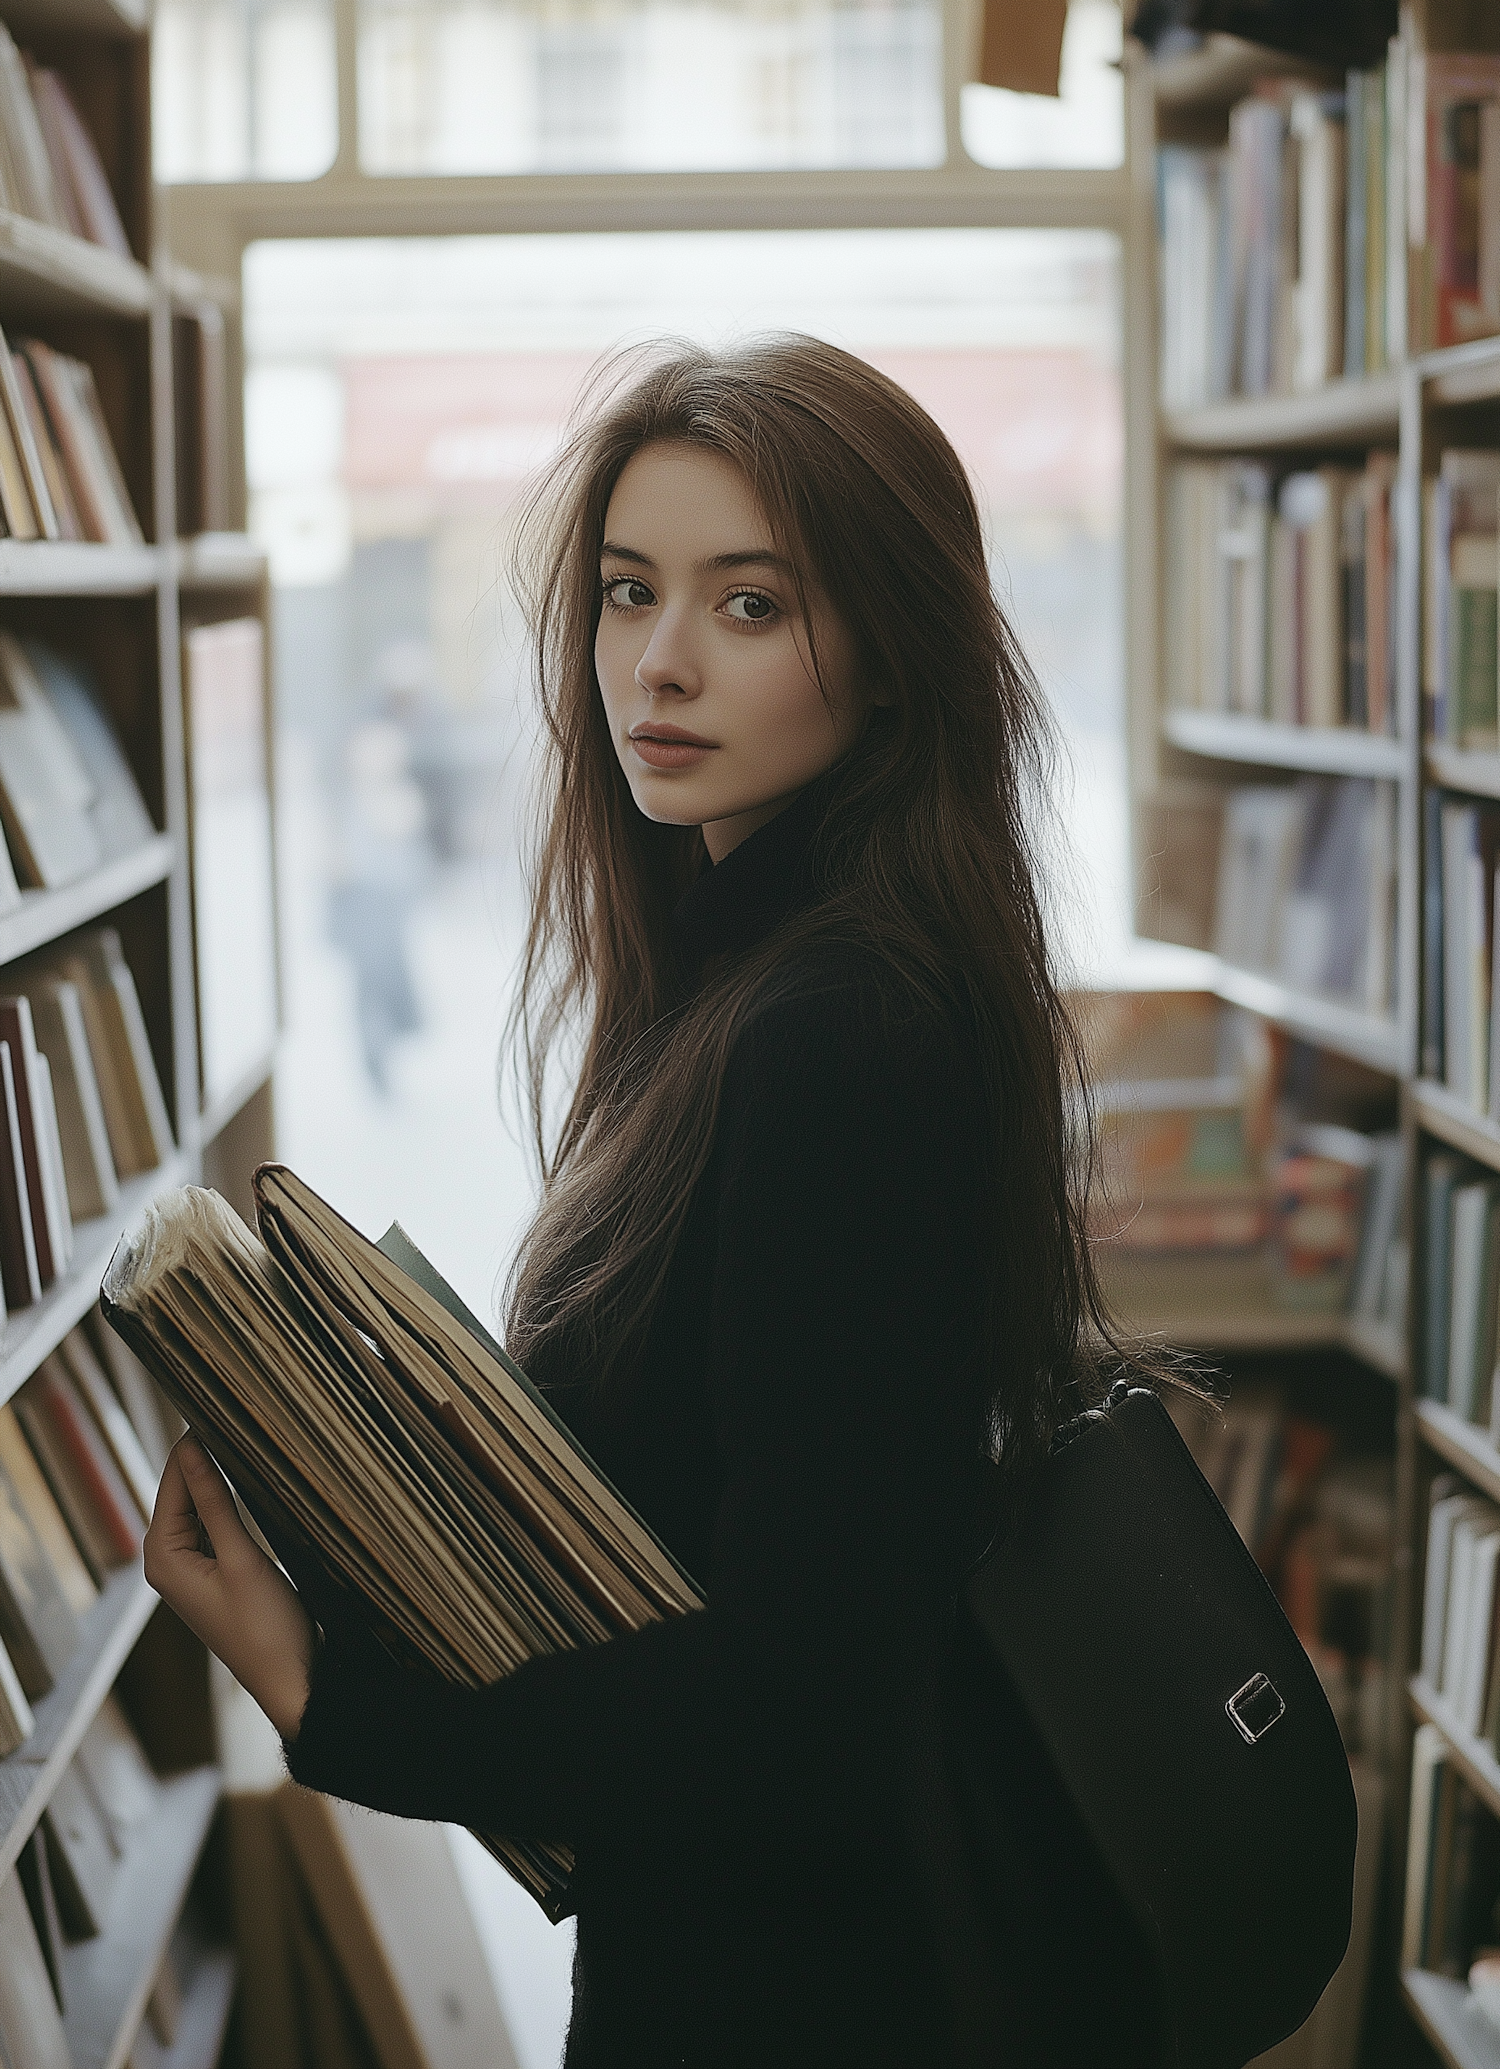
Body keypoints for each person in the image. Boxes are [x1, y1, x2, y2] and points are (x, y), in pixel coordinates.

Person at [143, 336, 1163, 2067]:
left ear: (896, 658)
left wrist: (336, 1704)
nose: (659, 663)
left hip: (816, 1999)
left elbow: (807, 1713)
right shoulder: (739, 975)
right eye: (628, 595)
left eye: (751, 606)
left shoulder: (844, 1033)